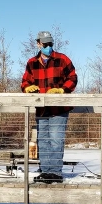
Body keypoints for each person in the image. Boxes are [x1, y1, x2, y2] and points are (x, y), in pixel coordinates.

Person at [21, 31, 77, 184]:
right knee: (43, 140)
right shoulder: (32, 62)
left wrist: (62, 90)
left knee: (56, 139)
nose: (48, 47)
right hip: (41, 108)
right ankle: (45, 171)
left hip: (59, 109)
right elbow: (25, 81)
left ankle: (56, 172)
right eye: (45, 44)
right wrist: (27, 88)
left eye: (50, 44)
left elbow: (72, 77)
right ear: (38, 44)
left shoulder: (62, 59)